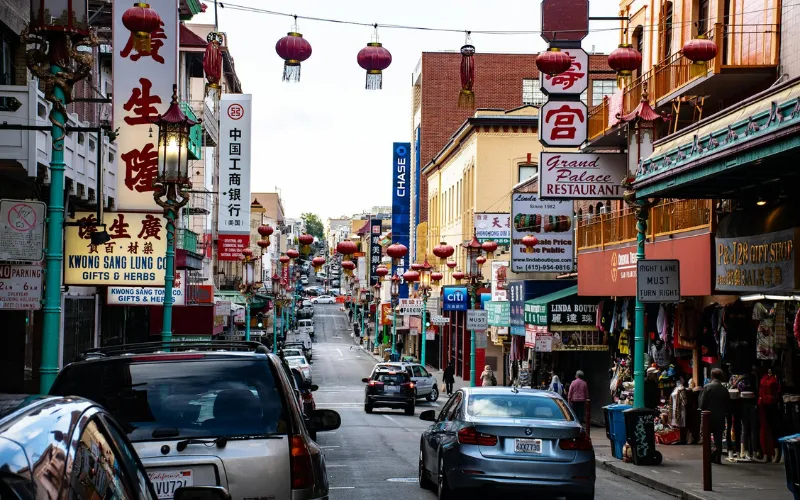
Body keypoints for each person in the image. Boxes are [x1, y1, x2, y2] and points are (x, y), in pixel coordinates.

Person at [700, 368, 731, 464]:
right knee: (718, 438)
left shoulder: (707, 387)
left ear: (712, 376)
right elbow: (727, 405)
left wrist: (702, 410)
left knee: (707, 437)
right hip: (720, 417)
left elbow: (702, 403)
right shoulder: (724, 389)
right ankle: (717, 457)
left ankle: (709, 455)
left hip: (708, 416)